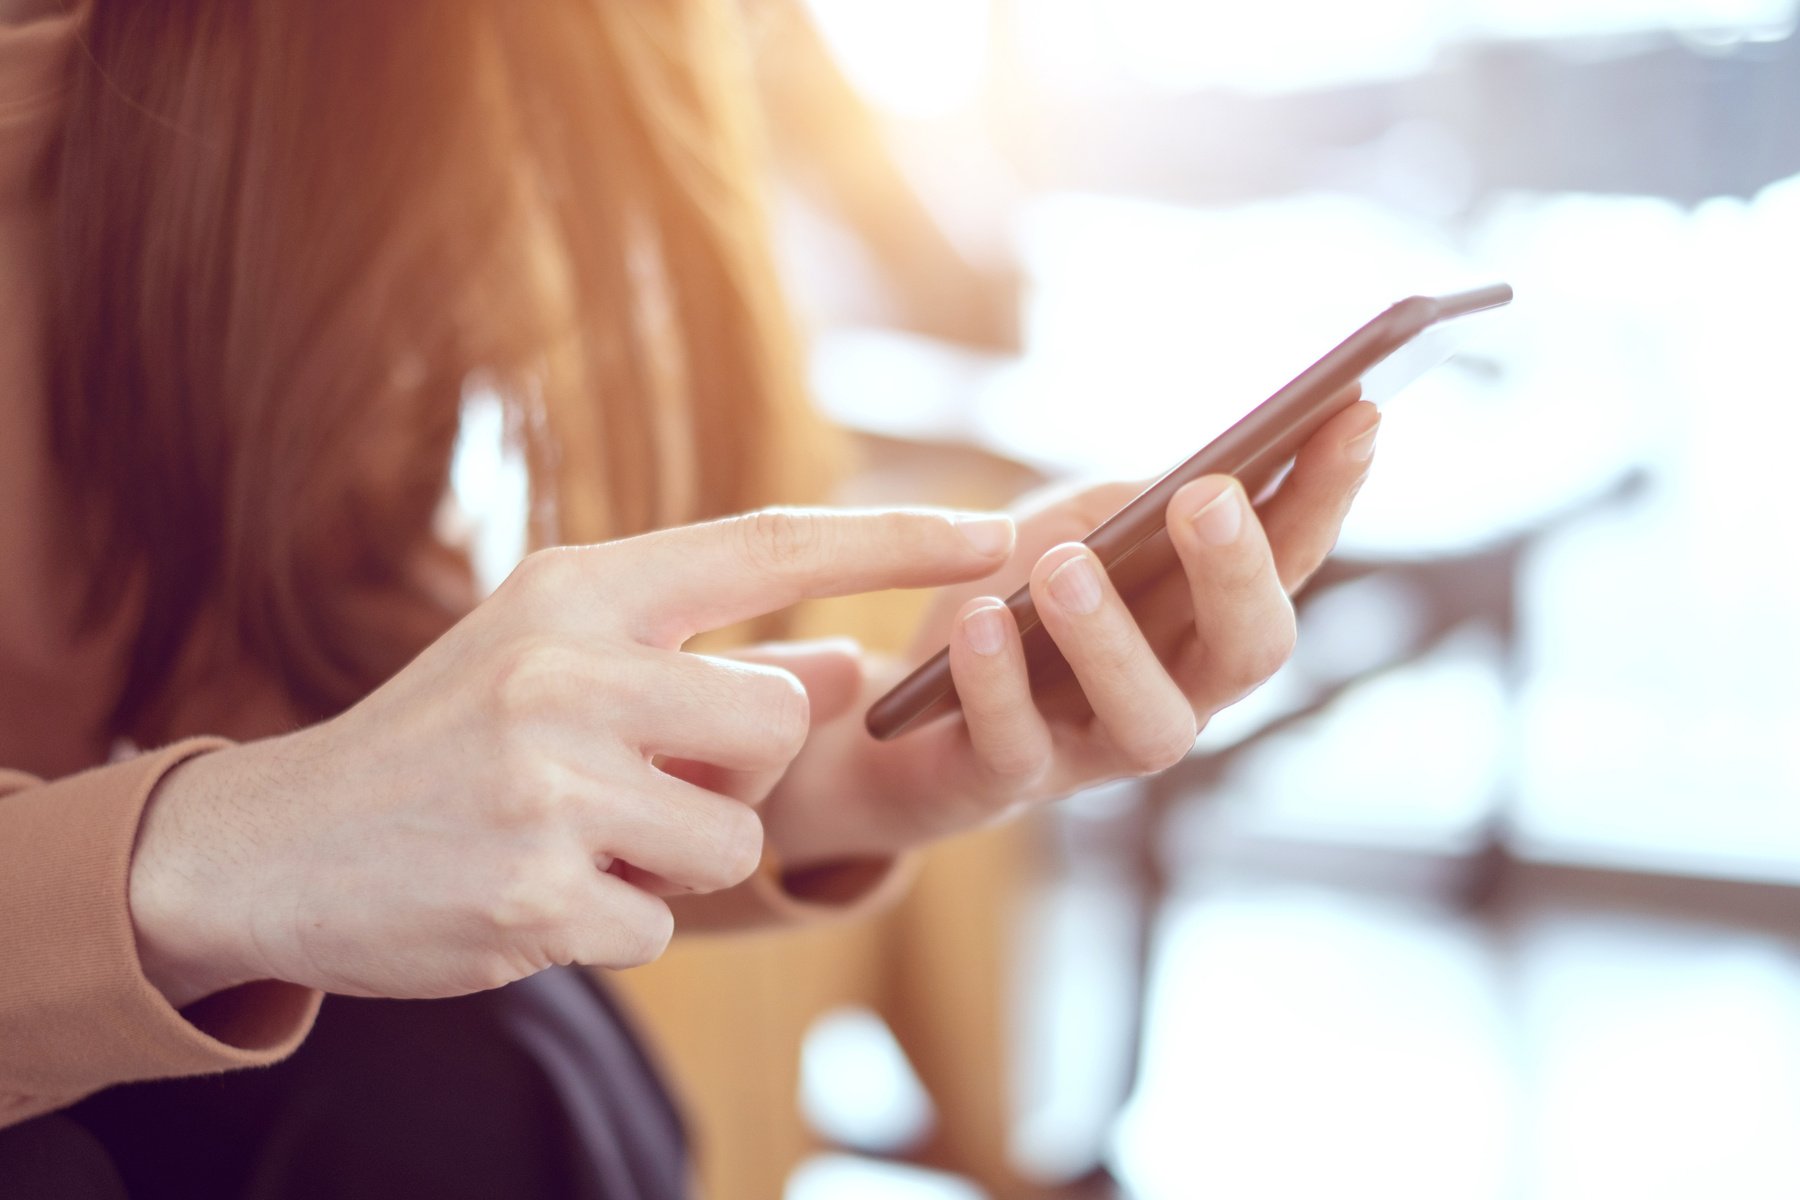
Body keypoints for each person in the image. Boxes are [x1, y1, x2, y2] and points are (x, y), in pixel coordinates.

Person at [0, 1, 1382, 1195]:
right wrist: (191, 865)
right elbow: (283, 818)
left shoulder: (333, 78)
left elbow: (319, 726)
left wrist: (827, 772)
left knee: (477, 1072)